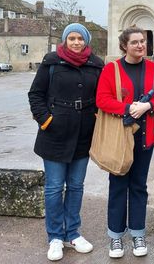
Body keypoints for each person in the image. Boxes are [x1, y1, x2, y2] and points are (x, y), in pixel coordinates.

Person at [28, 23, 104, 262]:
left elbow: (103, 95)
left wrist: (94, 117)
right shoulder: (51, 62)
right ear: (65, 40)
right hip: (55, 133)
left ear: (86, 40)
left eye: (80, 38)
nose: (76, 42)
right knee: (53, 187)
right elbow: (35, 94)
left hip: (83, 133)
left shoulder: (96, 64)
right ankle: (55, 237)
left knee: (76, 186)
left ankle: (73, 233)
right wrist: (46, 120)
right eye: (71, 38)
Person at [95, 26, 154, 259]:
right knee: (117, 186)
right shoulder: (111, 69)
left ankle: (138, 233)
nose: (140, 45)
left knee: (138, 186)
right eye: (135, 42)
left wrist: (149, 105)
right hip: (120, 137)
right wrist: (127, 108)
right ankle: (115, 236)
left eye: (143, 41)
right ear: (124, 45)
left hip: (146, 136)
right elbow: (102, 99)